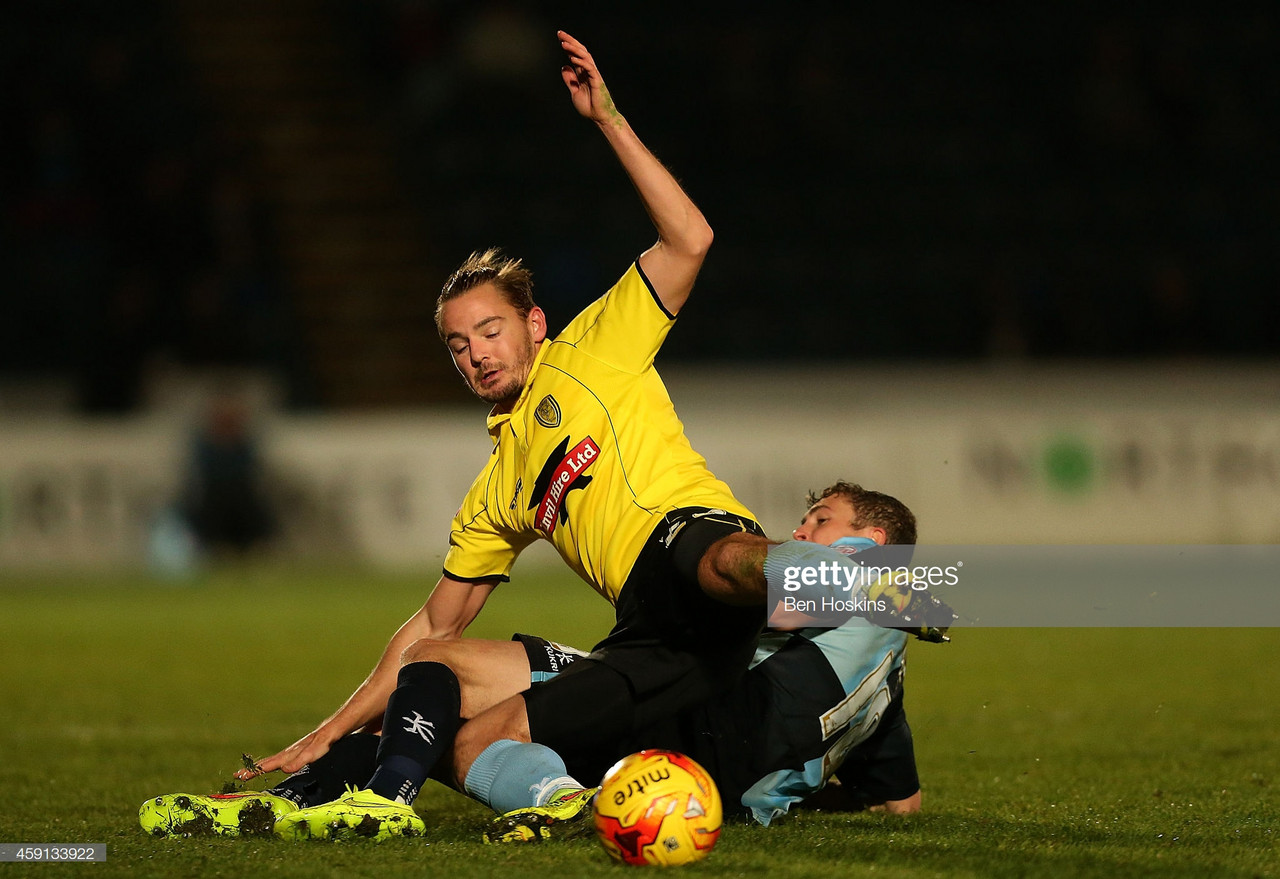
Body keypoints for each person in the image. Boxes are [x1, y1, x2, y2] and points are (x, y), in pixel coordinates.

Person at [139, 30, 950, 840]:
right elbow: (430, 629)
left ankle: (893, 583)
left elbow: (690, 240)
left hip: (686, 548)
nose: (475, 354)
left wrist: (608, 120)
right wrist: (327, 726)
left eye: (489, 330)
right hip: (645, 640)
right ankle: (307, 796)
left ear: (533, 323)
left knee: (716, 557)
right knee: (442, 697)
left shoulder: (595, 347)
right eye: (457, 345)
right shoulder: (501, 486)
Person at [138, 483, 934, 839]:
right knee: (440, 661)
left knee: (459, 733)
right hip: (681, 706)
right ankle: (307, 794)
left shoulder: (860, 592)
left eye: (819, 519)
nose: (801, 527)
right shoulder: (883, 675)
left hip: (687, 735)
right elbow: (899, 802)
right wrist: (800, 797)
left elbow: (832, 579)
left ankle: (530, 794)